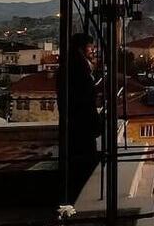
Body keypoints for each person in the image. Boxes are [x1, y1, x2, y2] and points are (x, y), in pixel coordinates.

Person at [57, 32, 103, 202]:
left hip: (76, 122)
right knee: (84, 162)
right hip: (81, 123)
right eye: (90, 47)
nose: (93, 50)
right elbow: (85, 97)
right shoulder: (78, 68)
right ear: (82, 48)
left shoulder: (70, 65)